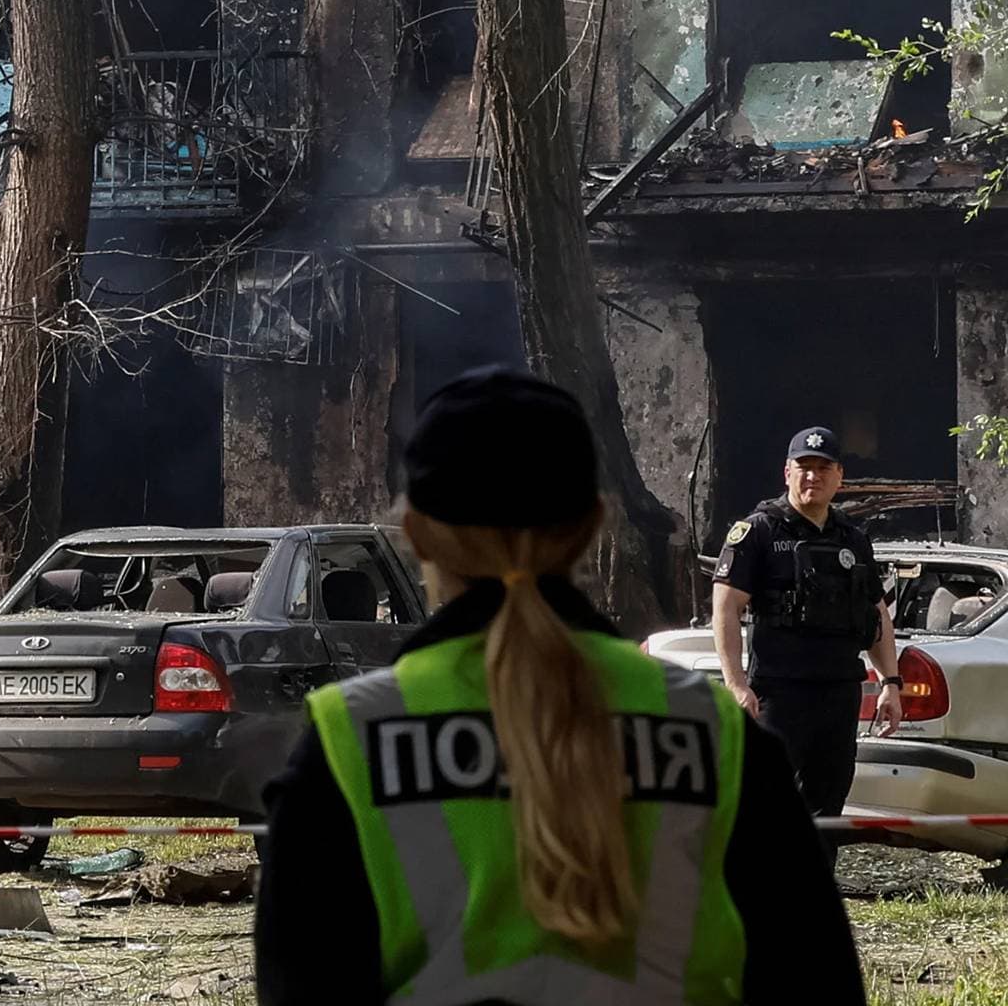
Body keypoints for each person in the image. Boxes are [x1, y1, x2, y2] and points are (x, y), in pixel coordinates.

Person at [256, 367, 860, 1005]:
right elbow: (818, 983)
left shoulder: (349, 743)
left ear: (416, 534)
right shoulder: (718, 738)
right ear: (591, 527)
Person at [711, 426, 902, 829]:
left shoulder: (852, 538)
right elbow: (725, 609)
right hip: (778, 693)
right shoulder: (758, 531)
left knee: (828, 803)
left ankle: (812, 890)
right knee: (764, 800)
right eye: (804, 467)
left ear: (839, 477)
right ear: (787, 473)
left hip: (838, 692)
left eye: (822, 468)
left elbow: (877, 612)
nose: (812, 476)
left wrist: (891, 682)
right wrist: (736, 683)